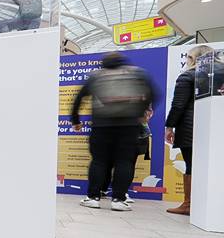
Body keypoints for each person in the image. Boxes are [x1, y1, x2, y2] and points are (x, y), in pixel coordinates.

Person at [70, 52, 156, 212]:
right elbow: (153, 94)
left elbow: (79, 98)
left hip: (101, 126)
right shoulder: (137, 73)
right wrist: (141, 112)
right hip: (129, 126)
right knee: (125, 162)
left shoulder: (96, 76)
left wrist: (75, 120)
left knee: (98, 161)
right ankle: (118, 199)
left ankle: (93, 197)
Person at [165, 44, 223, 214]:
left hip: (191, 128)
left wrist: (170, 126)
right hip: (217, 127)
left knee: (192, 165)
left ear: (192, 59)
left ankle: (189, 205)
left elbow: (178, 105)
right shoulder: (220, 74)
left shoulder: (188, 75)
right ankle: (211, 206)